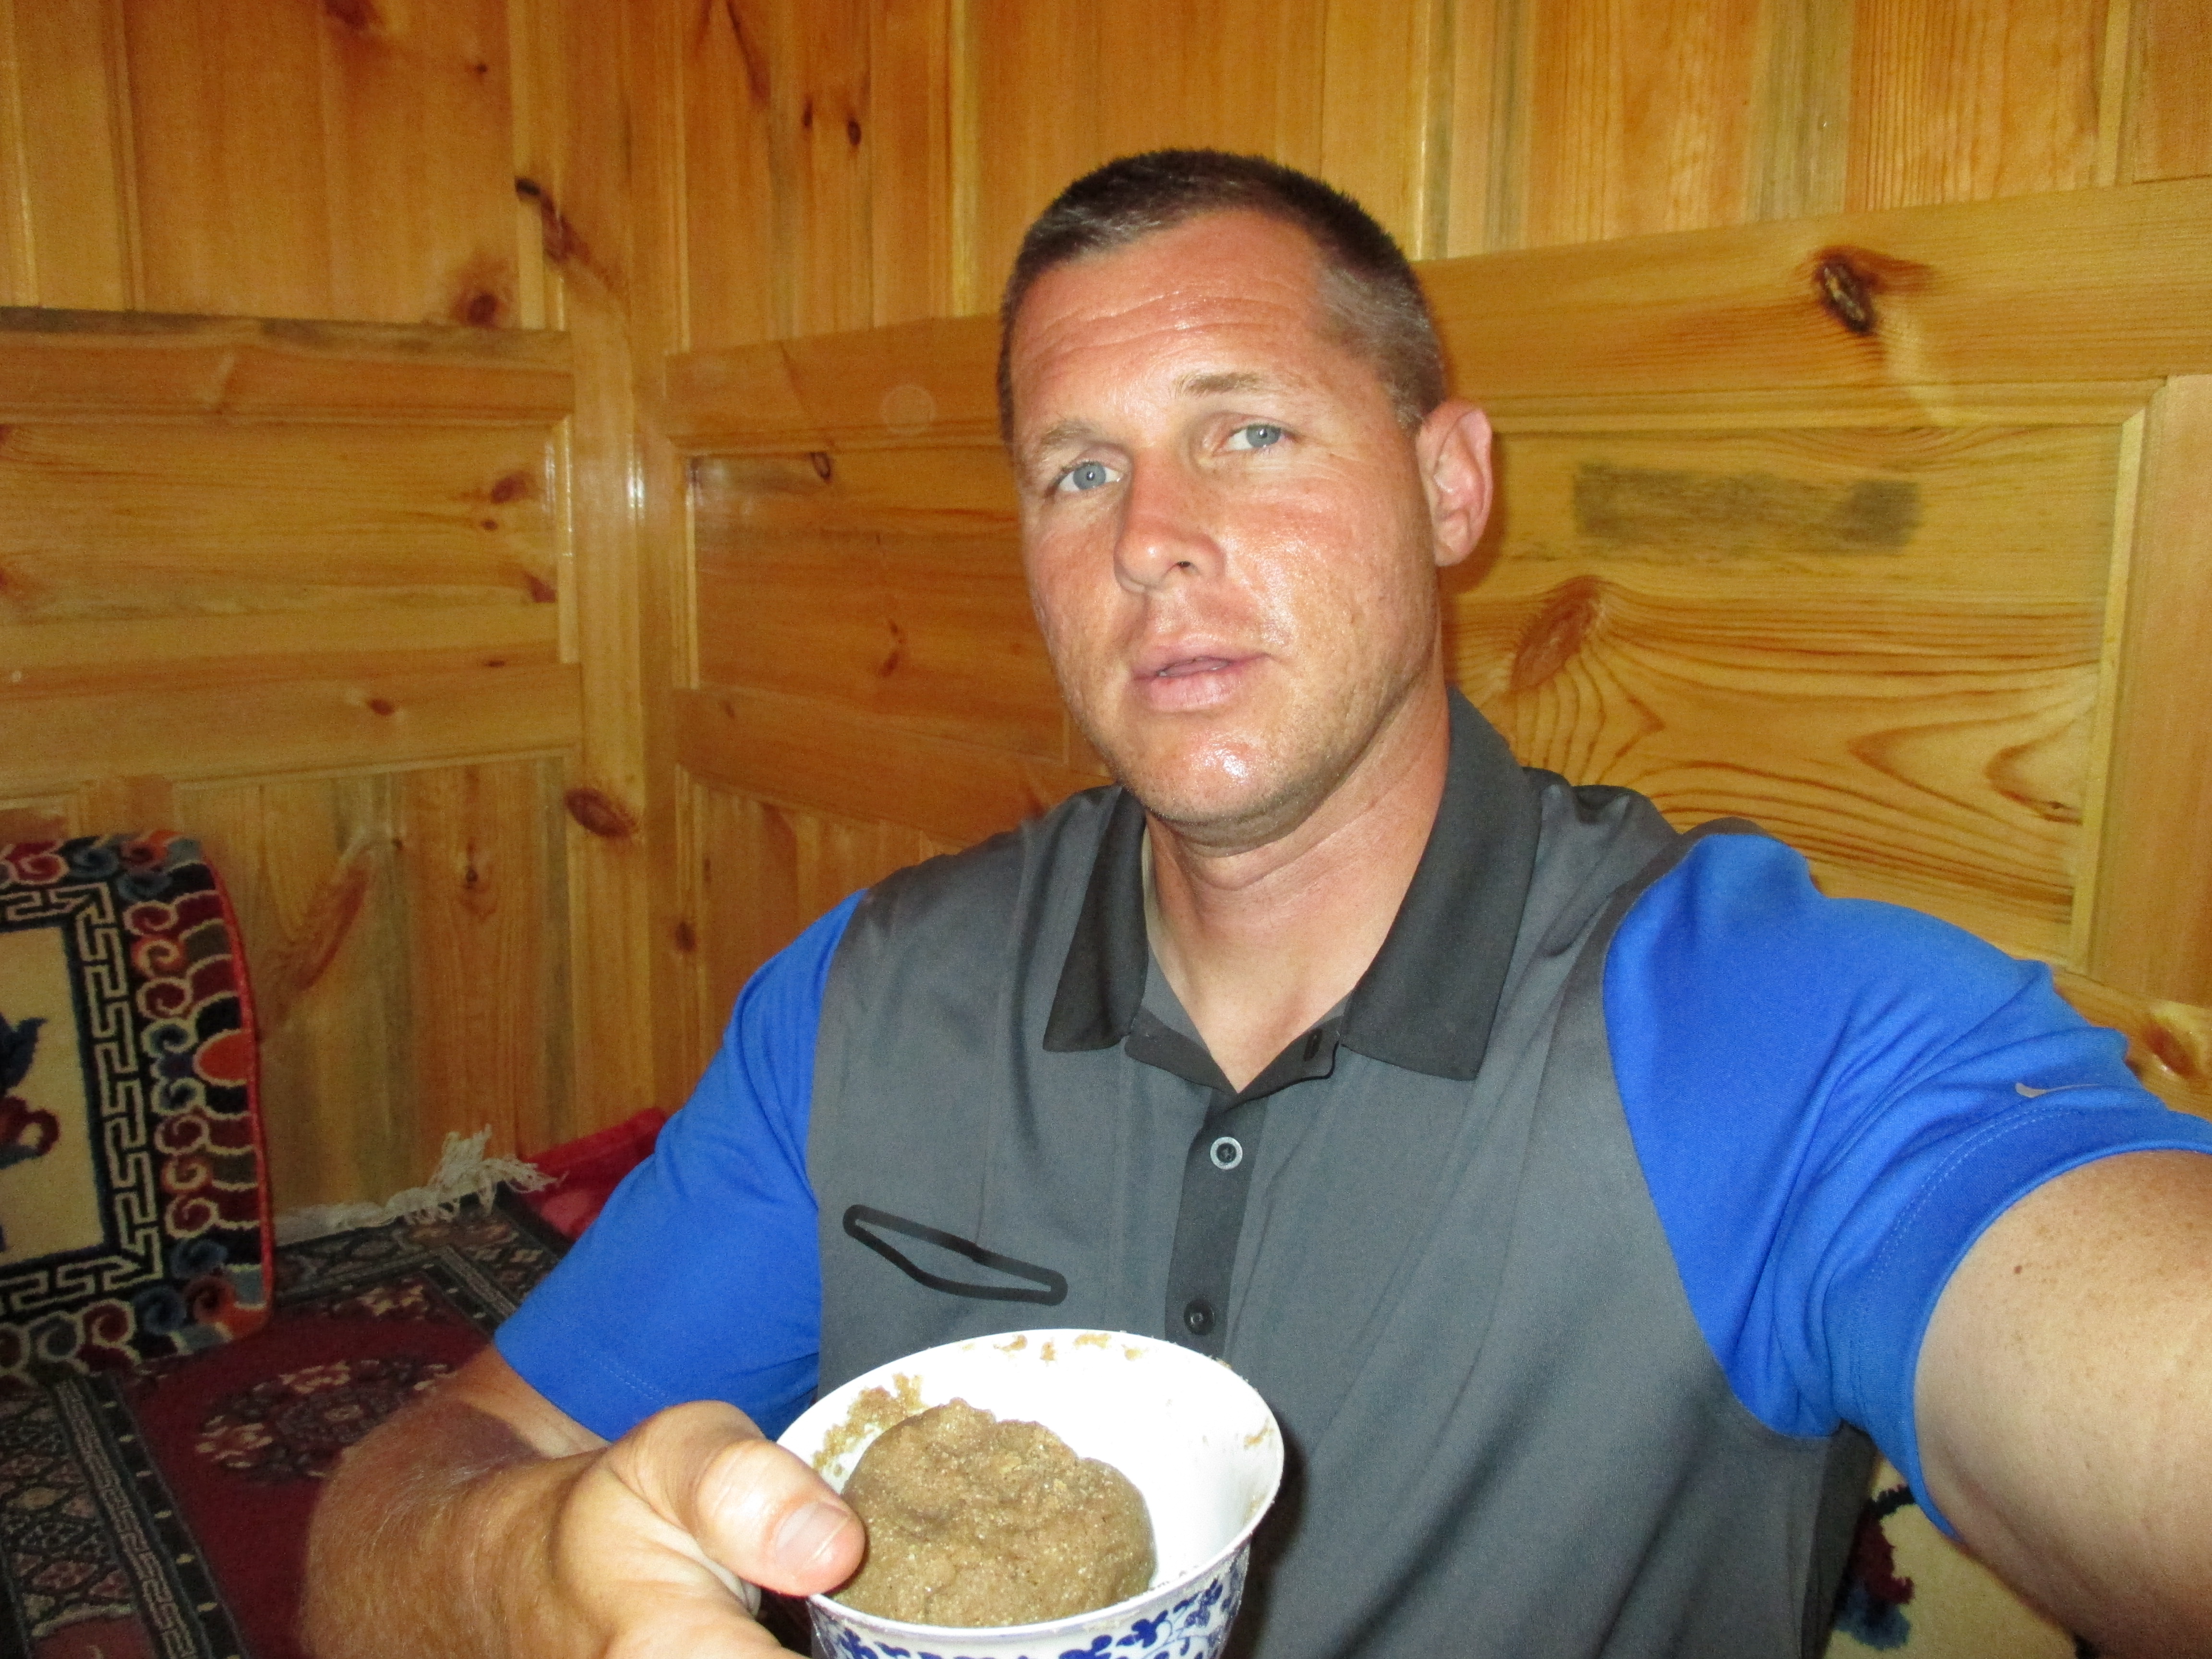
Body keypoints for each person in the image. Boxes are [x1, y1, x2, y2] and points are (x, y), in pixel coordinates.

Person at [301, 152, 2212, 1659]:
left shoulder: (1771, 1026)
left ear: (1449, 485)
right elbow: (411, 1497)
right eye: (1080, 470)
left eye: (1250, 432)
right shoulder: (868, 1002)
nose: (1152, 540)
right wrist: (521, 1575)